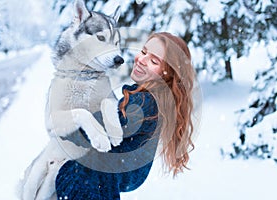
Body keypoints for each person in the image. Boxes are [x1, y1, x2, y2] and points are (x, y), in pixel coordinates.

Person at [55, 32, 197, 200]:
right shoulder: (155, 102)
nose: (142, 60)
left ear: (167, 74)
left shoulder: (144, 103)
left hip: (91, 182)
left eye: (154, 61)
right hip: (101, 181)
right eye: (144, 52)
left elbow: (92, 132)